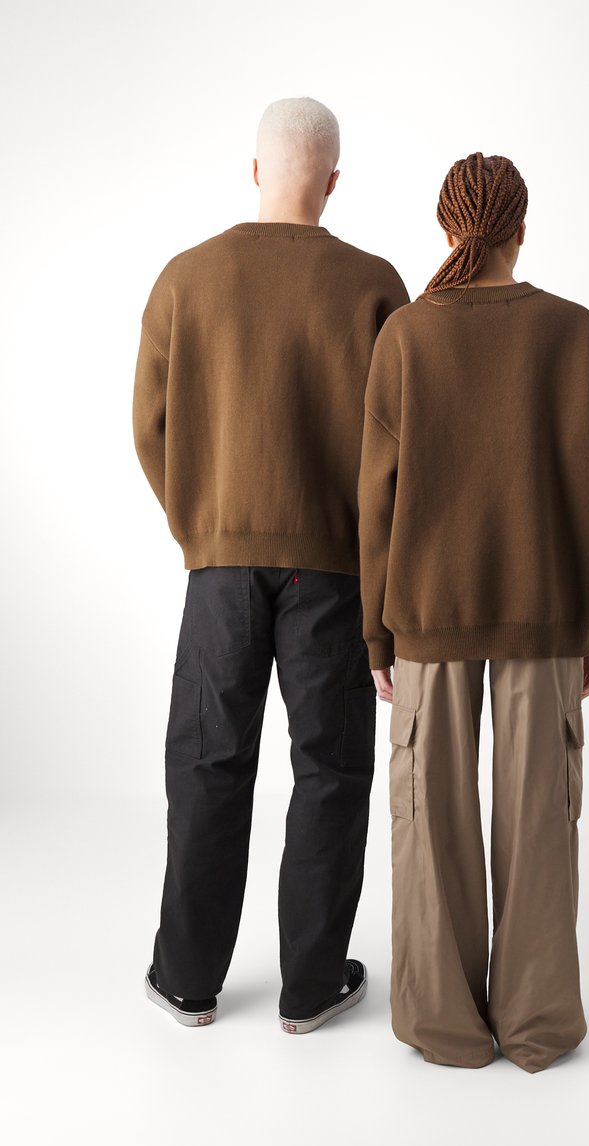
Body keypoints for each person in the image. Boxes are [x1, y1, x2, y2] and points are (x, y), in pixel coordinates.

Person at [133, 97, 409, 1033]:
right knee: (331, 767)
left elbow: (149, 425)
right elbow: (399, 447)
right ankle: (311, 985)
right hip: (331, 571)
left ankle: (187, 979)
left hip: (220, 568)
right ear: (333, 181)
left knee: (207, 762)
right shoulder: (374, 286)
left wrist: (204, 525)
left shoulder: (187, 278)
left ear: (255, 169)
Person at [357, 152, 589, 1072]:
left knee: (429, 824)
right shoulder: (573, 332)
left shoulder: (407, 335)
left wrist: (375, 631)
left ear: (447, 229)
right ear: (521, 229)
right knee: (541, 819)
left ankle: (443, 1025)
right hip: (545, 613)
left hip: (427, 614)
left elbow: (376, 500)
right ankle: (538, 1025)